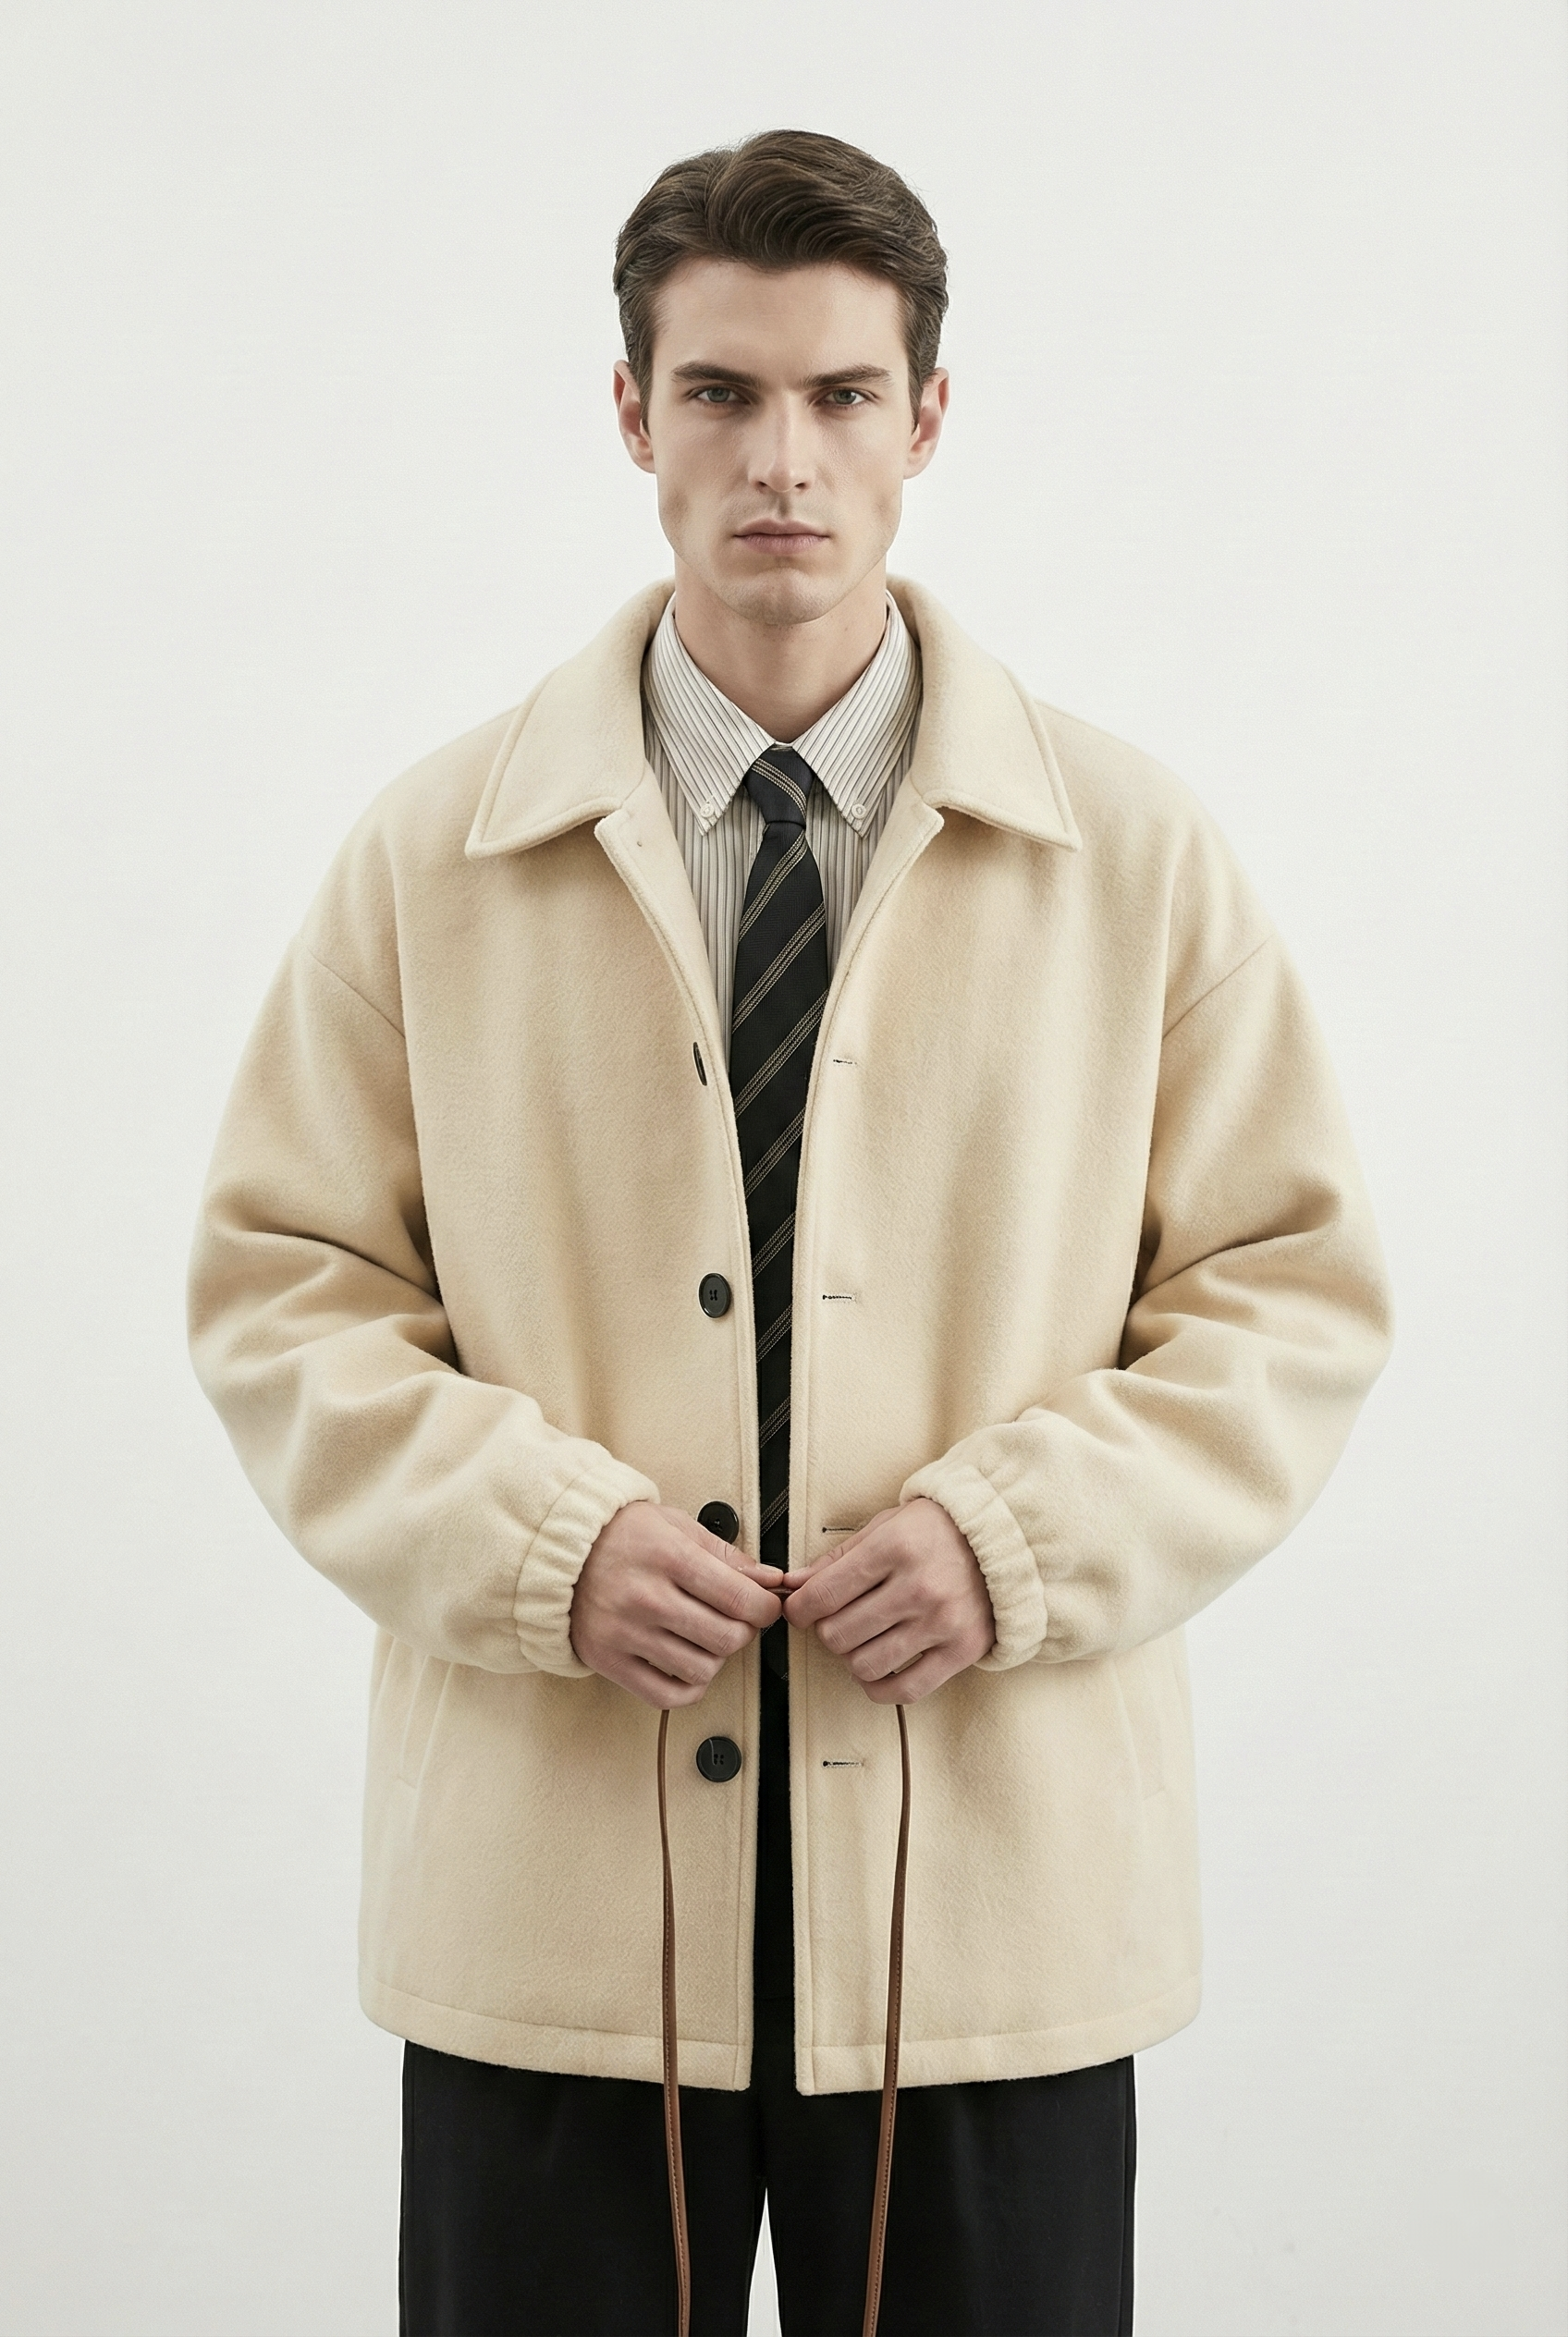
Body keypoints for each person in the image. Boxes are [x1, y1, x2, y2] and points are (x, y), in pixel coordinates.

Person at [188, 128, 1391, 2337]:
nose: (782, 459)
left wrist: (1011, 1539)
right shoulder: (431, 859)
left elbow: (1282, 1293)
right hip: (549, 1920)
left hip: (989, 1920)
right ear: (630, 414)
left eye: (840, 396)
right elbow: (287, 1292)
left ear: (926, 419)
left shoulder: (1126, 855)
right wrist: (537, 1541)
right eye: (723, 392)